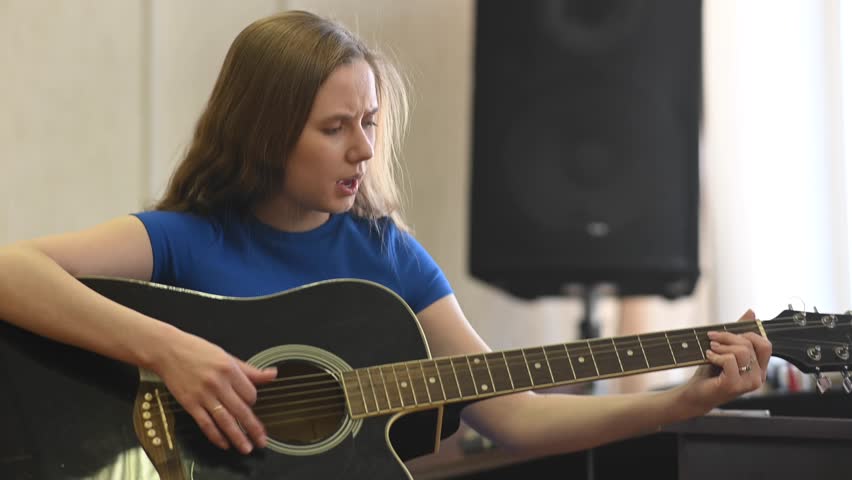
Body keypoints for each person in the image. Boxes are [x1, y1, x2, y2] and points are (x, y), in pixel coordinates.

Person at [0, 8, 770, 467]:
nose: (364, 150)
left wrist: (676, 405)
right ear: (266, 135)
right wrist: (167, 349)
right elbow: (11, 269)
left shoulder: (384, 253)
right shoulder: (184, 241)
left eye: (369, 123)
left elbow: (514, 414)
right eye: (335, 128)